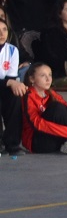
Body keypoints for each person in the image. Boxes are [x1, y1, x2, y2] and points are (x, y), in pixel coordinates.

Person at [21, 63, 67, 154]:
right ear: (32, 79)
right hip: (39, 142)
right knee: (57, 107)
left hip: (59, 137)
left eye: (50, 75)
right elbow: (38, 124)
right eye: (43, 75)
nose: (48, 79)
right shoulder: (28, 96)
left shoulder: (50, 93)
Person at [0, 18, 25, 157]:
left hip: (4, 86)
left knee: (15, 97)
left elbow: (10, 77)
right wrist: (10, 83)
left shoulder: (12, 50)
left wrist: (11, 83)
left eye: (4, 29)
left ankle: (13, 144)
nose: (1, 33)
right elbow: (9, 81)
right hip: (5, 84)